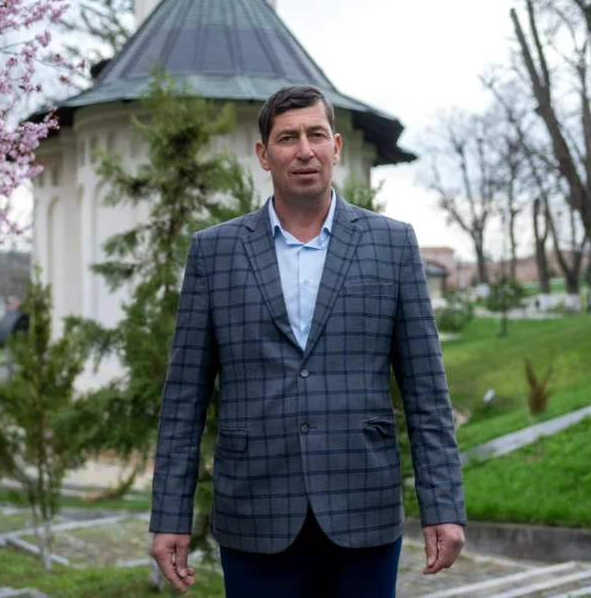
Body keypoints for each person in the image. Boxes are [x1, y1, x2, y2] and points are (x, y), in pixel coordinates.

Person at [149, 85, 466, 597]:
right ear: (263, 154)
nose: (304, 150)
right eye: (287, 138)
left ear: (335, 147)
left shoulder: (392, 244)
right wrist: (170, 514)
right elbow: (184, 398)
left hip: (364, 506)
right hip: (255, 511)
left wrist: (444, 505)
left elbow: (426, 390)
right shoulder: (215, 253)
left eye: (316, 135)